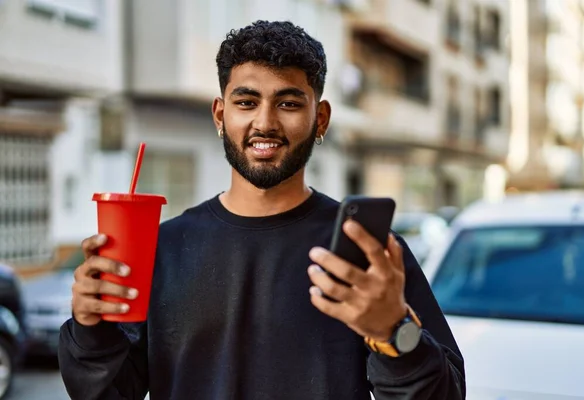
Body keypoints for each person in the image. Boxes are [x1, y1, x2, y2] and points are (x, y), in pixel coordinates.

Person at [58, 20, 466, 400]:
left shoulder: (366, 254)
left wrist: (394, 333)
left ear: (319, 119)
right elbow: (107, 392)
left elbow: (446, 393)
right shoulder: (164, 247)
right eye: (247, 102)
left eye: (288, 104)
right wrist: (90, 328)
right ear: (221, 114)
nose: (265, 122)